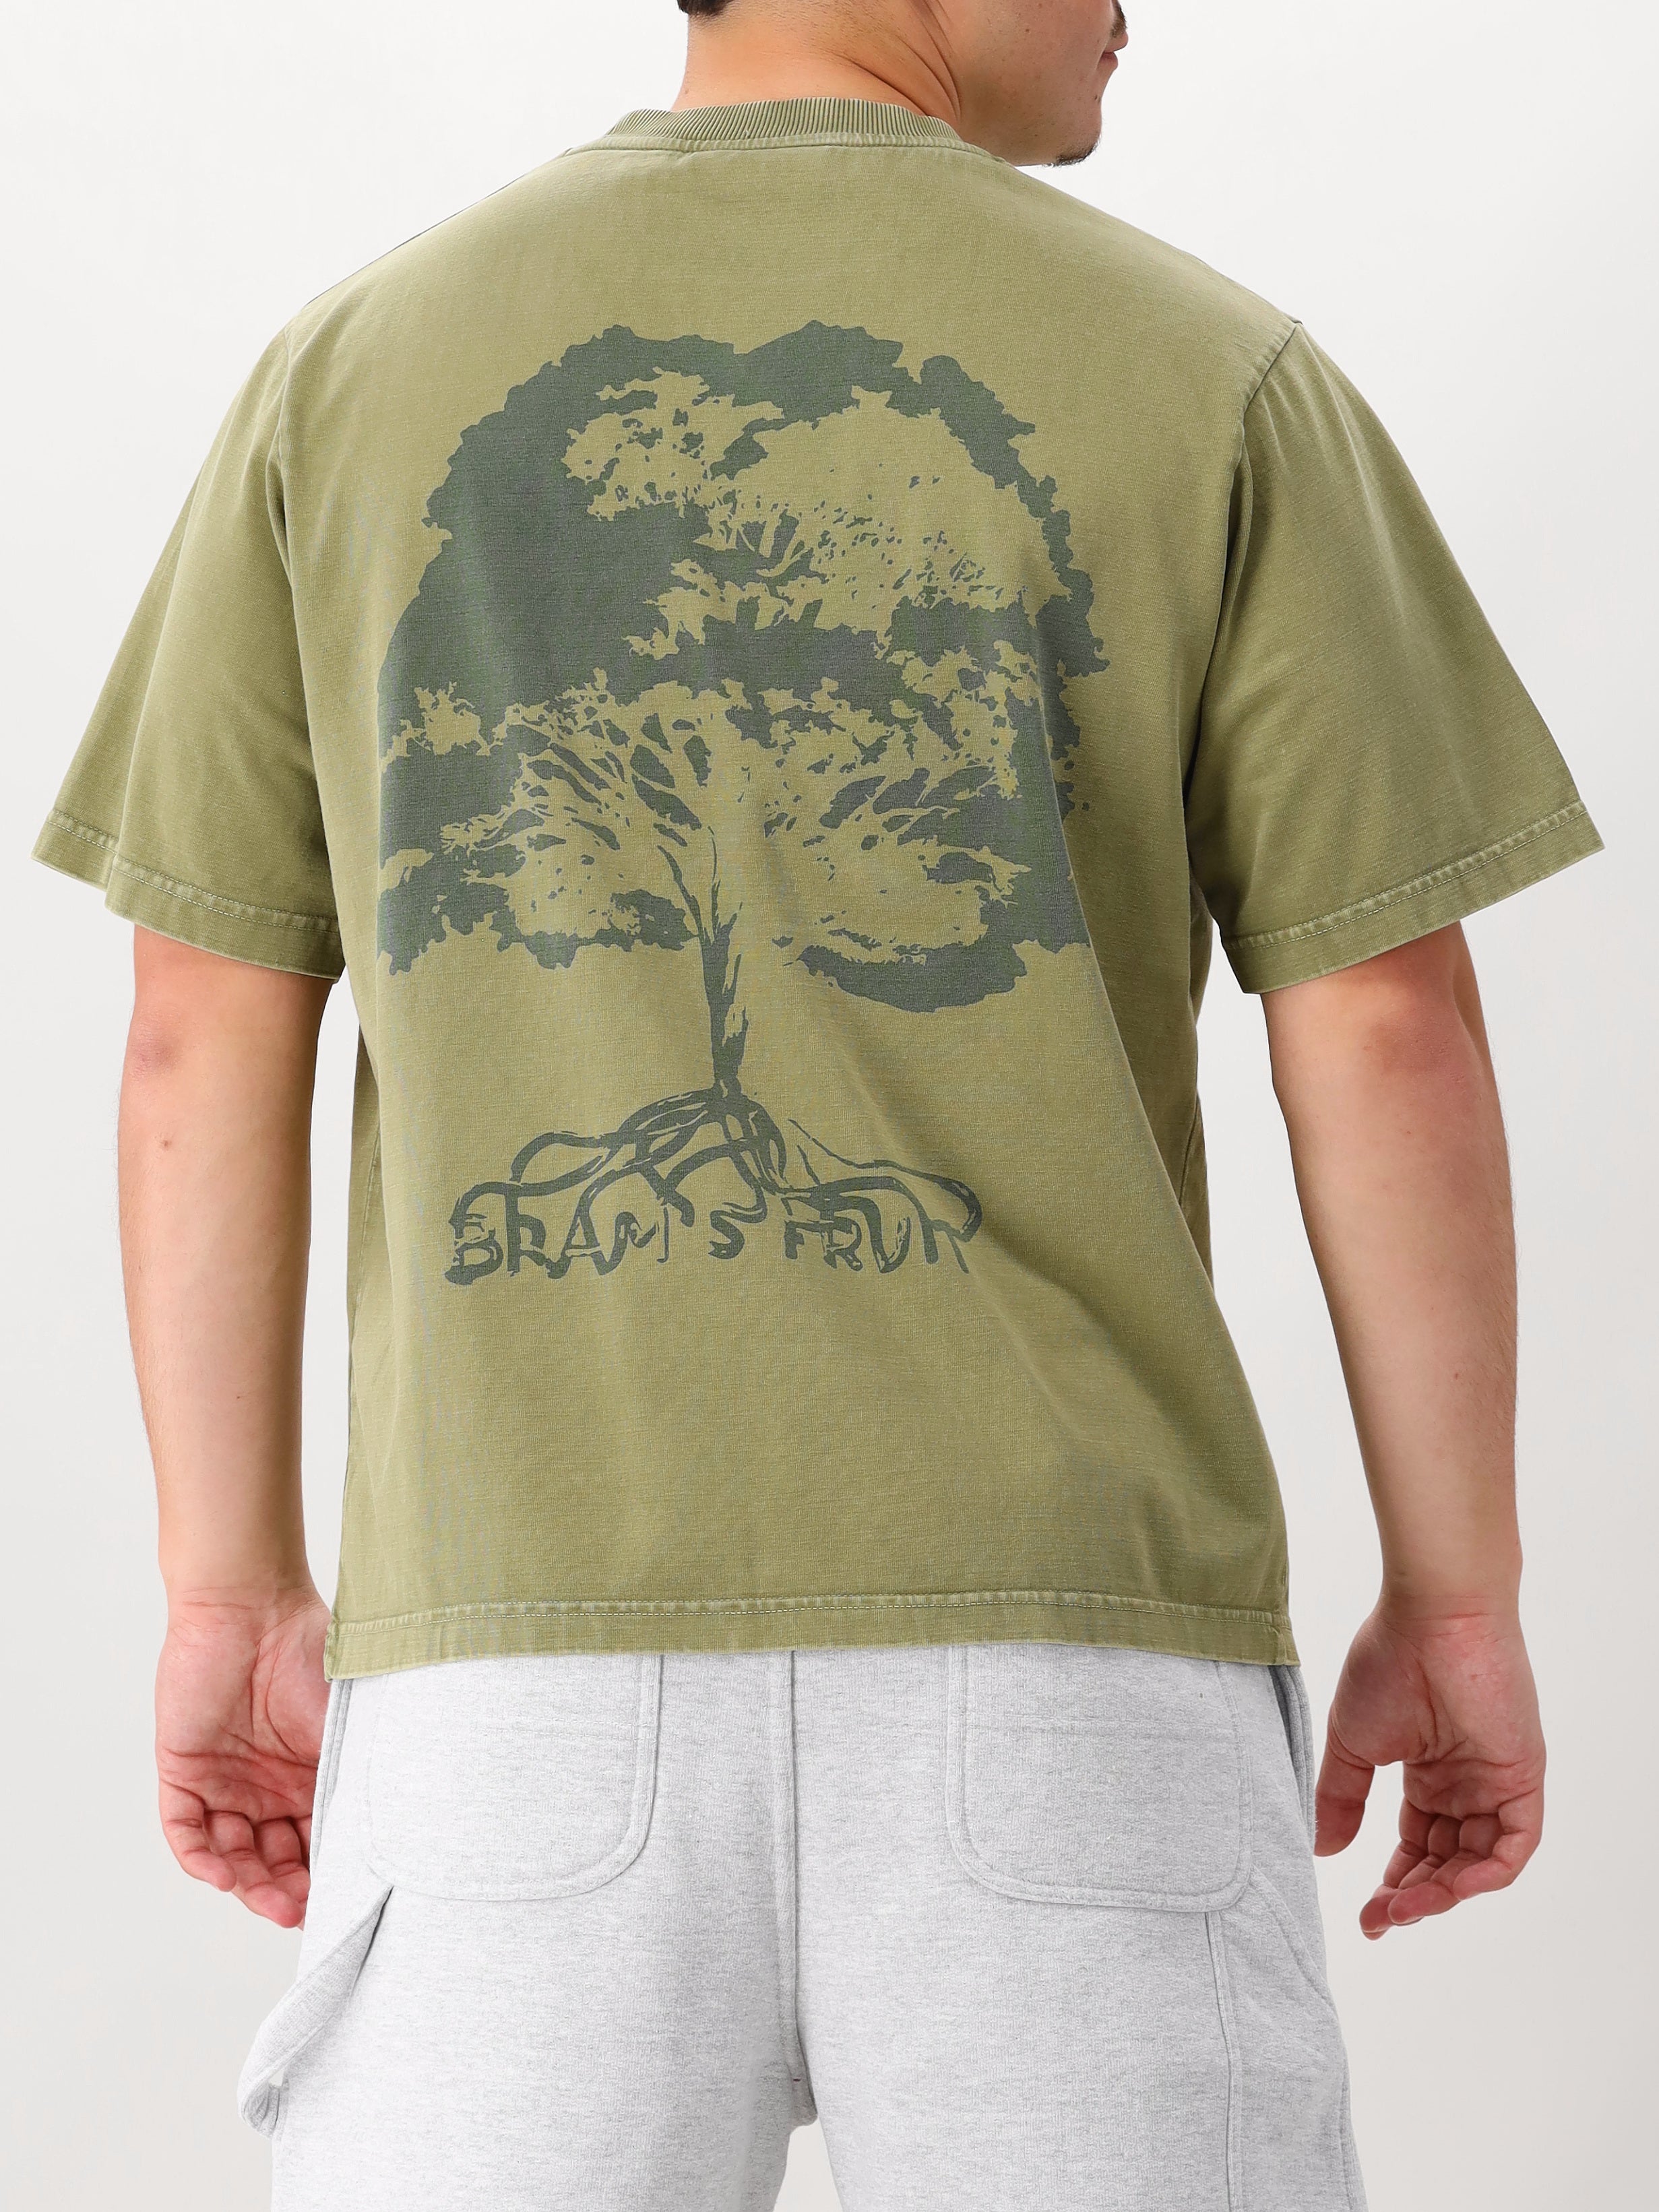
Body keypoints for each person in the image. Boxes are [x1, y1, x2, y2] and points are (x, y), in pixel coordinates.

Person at [35, 2, 1600, 2205]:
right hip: (1073, 1685)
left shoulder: (352, 377)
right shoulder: (1213, 375)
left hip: (510, 1702)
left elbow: (199, 1021)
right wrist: (1456, 1599)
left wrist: (228, 1591)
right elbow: (1387, 1026)